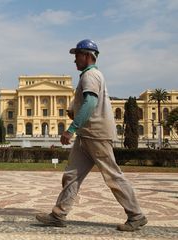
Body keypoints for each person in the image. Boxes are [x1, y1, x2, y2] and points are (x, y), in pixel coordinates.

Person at [36, 39, 147, 231]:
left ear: (87, 56)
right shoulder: (87, 76)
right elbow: (84, 103)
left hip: (96, 133)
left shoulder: (91, 76)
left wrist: (71, 129)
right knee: (71, 175)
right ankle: (59, 214)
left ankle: (136, 215)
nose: (74, 60)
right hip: (86, 135)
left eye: (77, 55)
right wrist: (74, 112)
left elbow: (90, 104)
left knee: (112, 175)